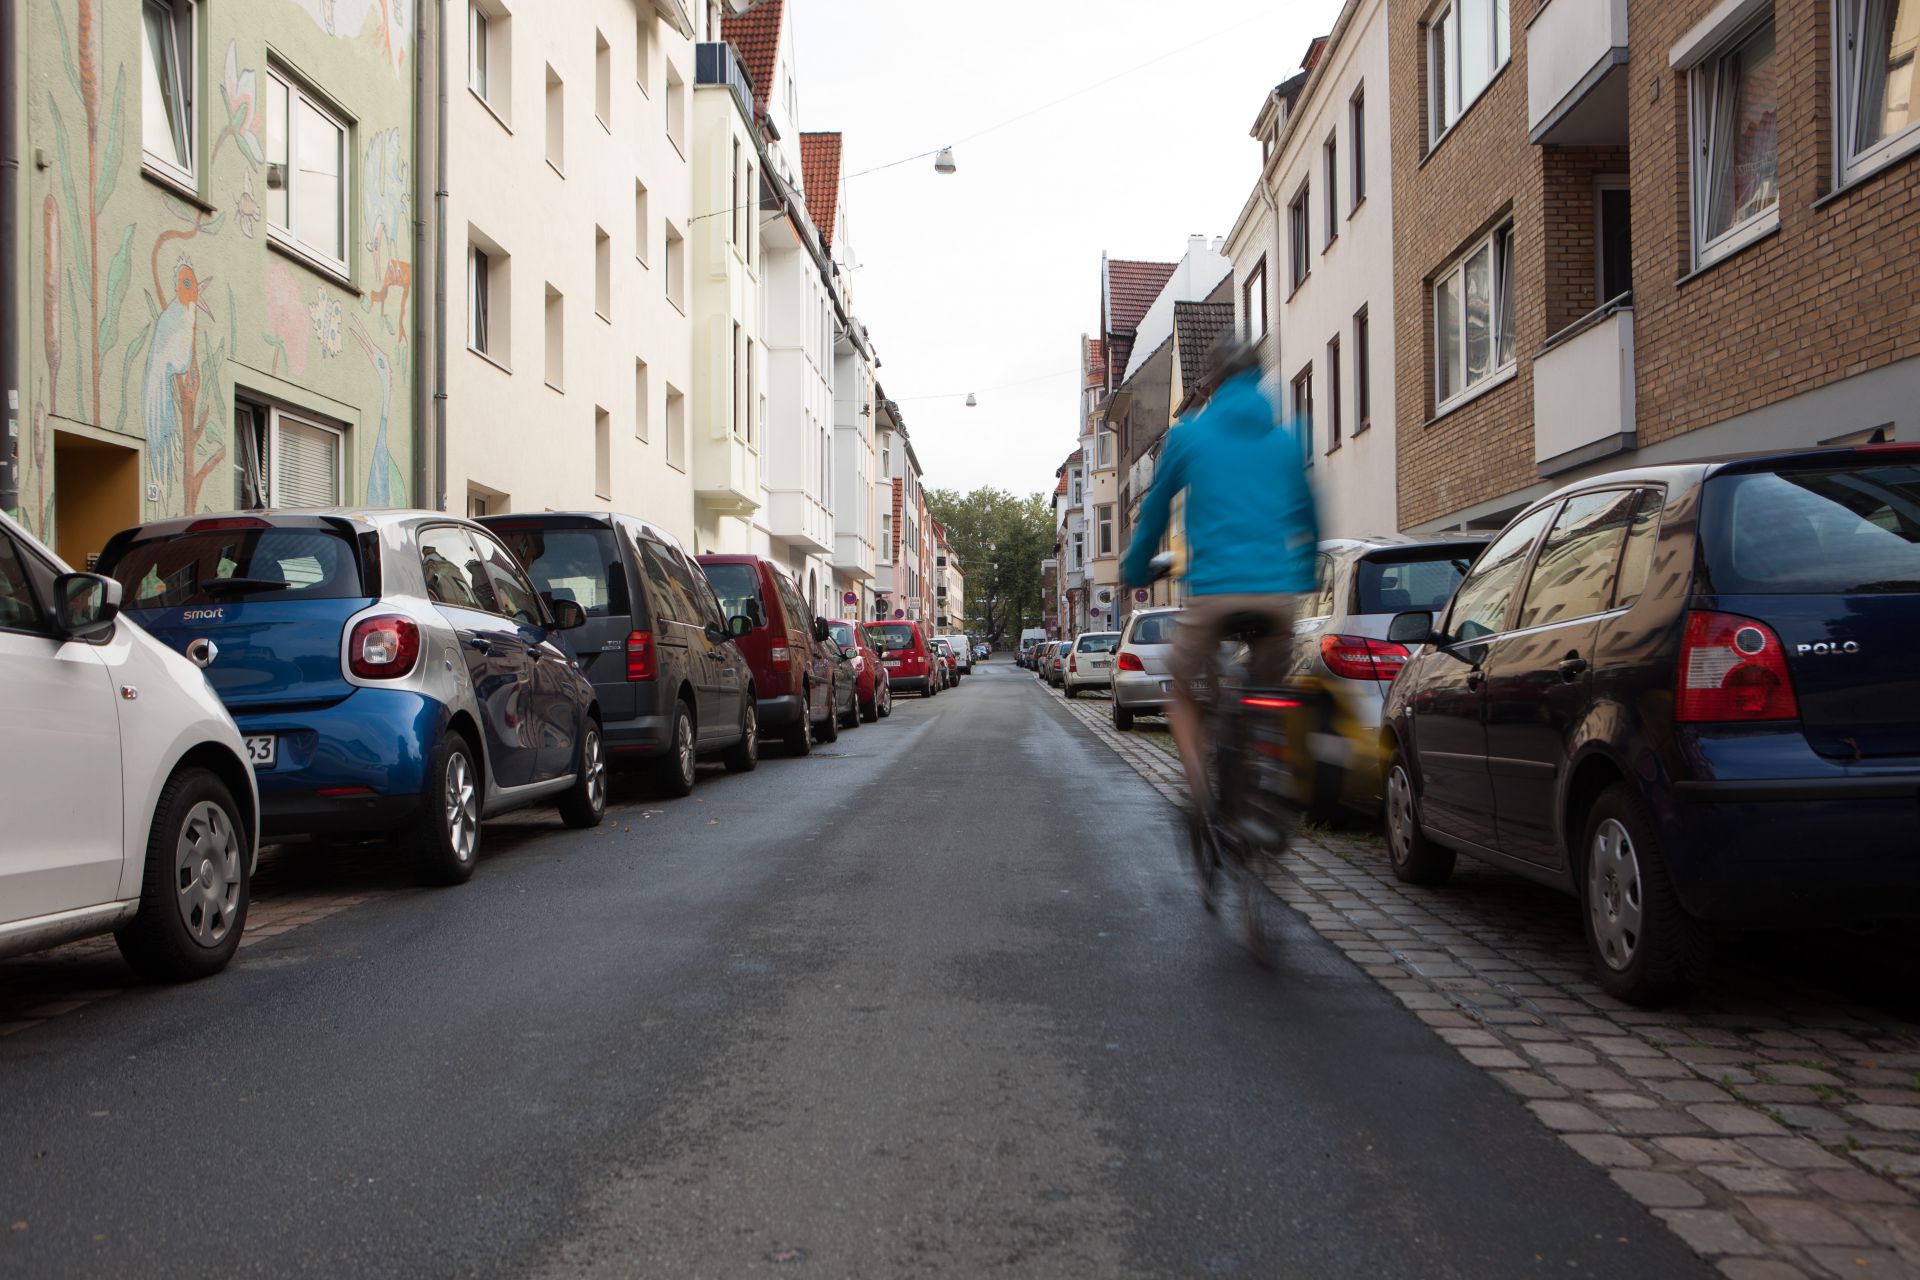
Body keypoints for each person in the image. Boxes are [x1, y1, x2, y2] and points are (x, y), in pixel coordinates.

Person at [1119, 336, 1319, 804]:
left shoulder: (1190, 436)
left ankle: (1202, 794)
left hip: (1215, 593)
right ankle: (1273, 766)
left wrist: (1135, 566)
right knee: (1272, 685)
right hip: (1276, 594)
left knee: (1183, 687)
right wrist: (1305, 572)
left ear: (1213, 384)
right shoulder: (1285, 440)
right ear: (1257, 379)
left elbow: (1155, 512)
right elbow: (1309, 515)